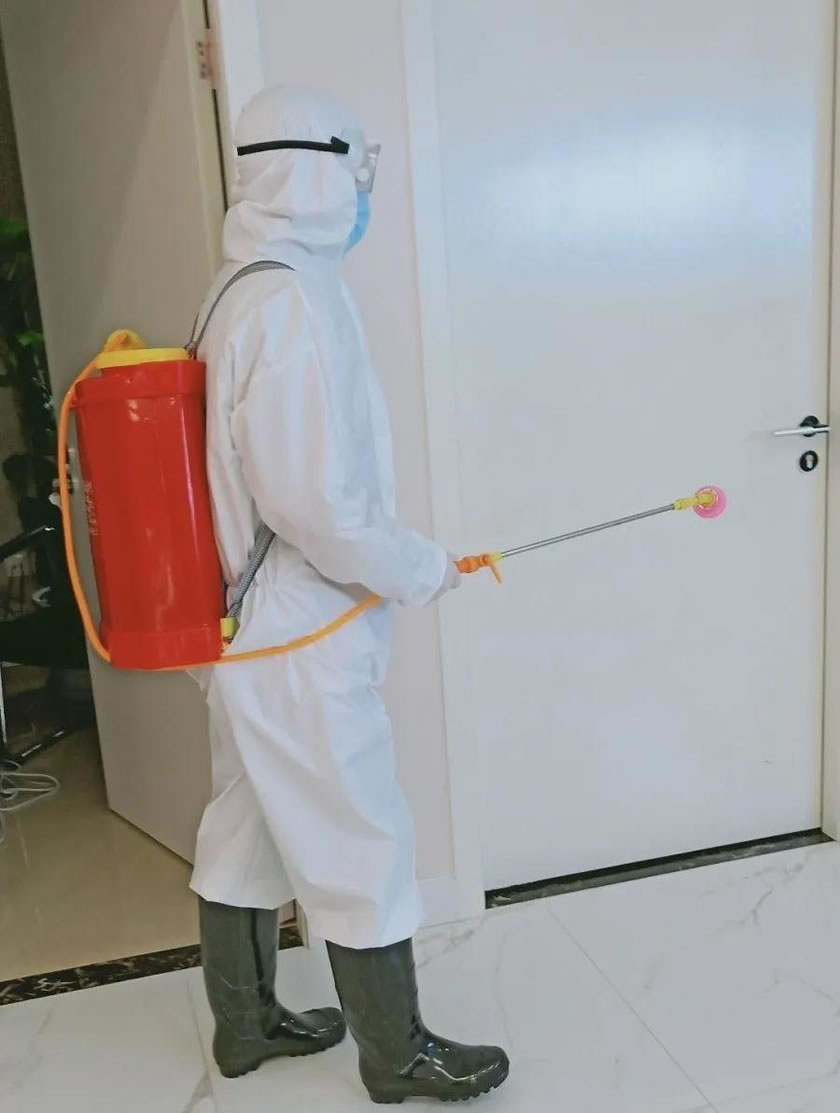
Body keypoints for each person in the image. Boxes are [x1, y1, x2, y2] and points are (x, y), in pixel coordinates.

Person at [189, 85, 509, 1104]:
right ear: (315, 168)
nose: (365, 187)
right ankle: (395, 1053)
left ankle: (246, 1023)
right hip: (296, 629)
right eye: (357, 164)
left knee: (244, 823)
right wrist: (418, 566)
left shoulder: (237, 288)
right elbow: (315, 505)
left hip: (243, 628)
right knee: (360, 833)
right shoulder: (289, 302)